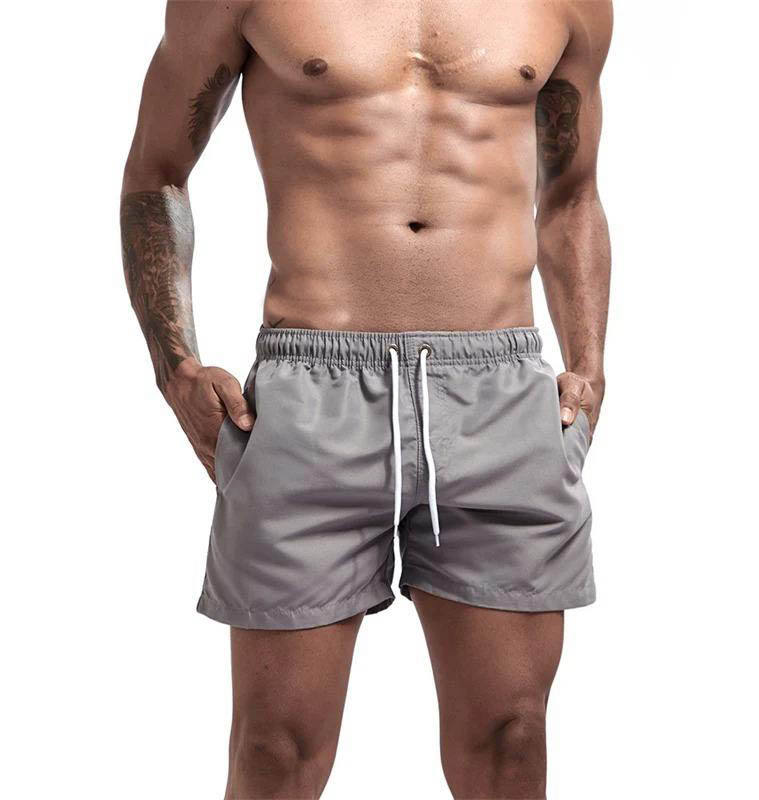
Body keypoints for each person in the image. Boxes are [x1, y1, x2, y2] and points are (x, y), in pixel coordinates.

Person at [120, 2, 612, 797]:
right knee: (276, 751)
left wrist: (589, 363)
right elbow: (156, 174)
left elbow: (573, 194)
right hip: (312, 394)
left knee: (511, 740)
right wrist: (174, 364)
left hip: (499, 393)